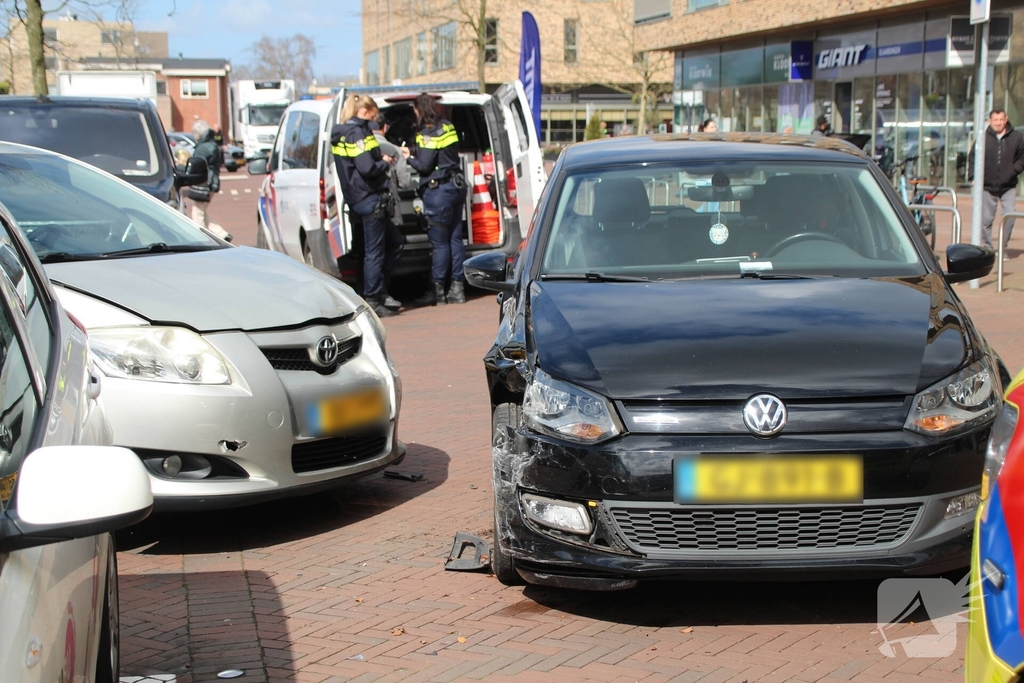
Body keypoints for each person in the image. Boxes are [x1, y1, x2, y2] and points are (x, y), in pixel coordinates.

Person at [331, 94, 403, 316]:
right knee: (379, 250)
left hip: (356, 198)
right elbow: (366, 168)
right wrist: (384, 162)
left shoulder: (344, 131)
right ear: (365, 111)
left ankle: (370, 292)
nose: (377, 115)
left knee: (368, 251)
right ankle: (374, 297)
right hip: (369, 198)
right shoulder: (357, 133)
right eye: (374, 111)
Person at [401, 93, 466, 305]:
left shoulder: (427, 133)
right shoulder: (448, 126)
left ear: (420, 109)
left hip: (439, 193)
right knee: (455, 239)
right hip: (456, 187)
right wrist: (414, 150)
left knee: (439, 244)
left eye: (415, 110)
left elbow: (425, 165)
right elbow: (440, 154)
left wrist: (407, 157)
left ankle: (438, 292)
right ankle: (458, 289)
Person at [974, 109, 1024, 257]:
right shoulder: (983, 138)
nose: (998, 123)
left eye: (1001, 120)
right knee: (986, 220)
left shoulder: (1016, 137)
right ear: (989, 121)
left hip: (1008, 186)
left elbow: (1022, 157)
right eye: (995, 120)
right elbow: (973, 157)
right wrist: (973, 176)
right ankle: (988, 248)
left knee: (1009, 217)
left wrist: (1013, 170)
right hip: (988, 186)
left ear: (1006, 119)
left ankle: (1002, 249)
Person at [188, 120, 232, 242]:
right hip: (212, 181)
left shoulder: (204, 147)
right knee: (201, 210)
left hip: (204, 182)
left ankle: (200, 238)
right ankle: (222, 234)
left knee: (198, 213)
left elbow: (196, 162)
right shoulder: (212, 144)